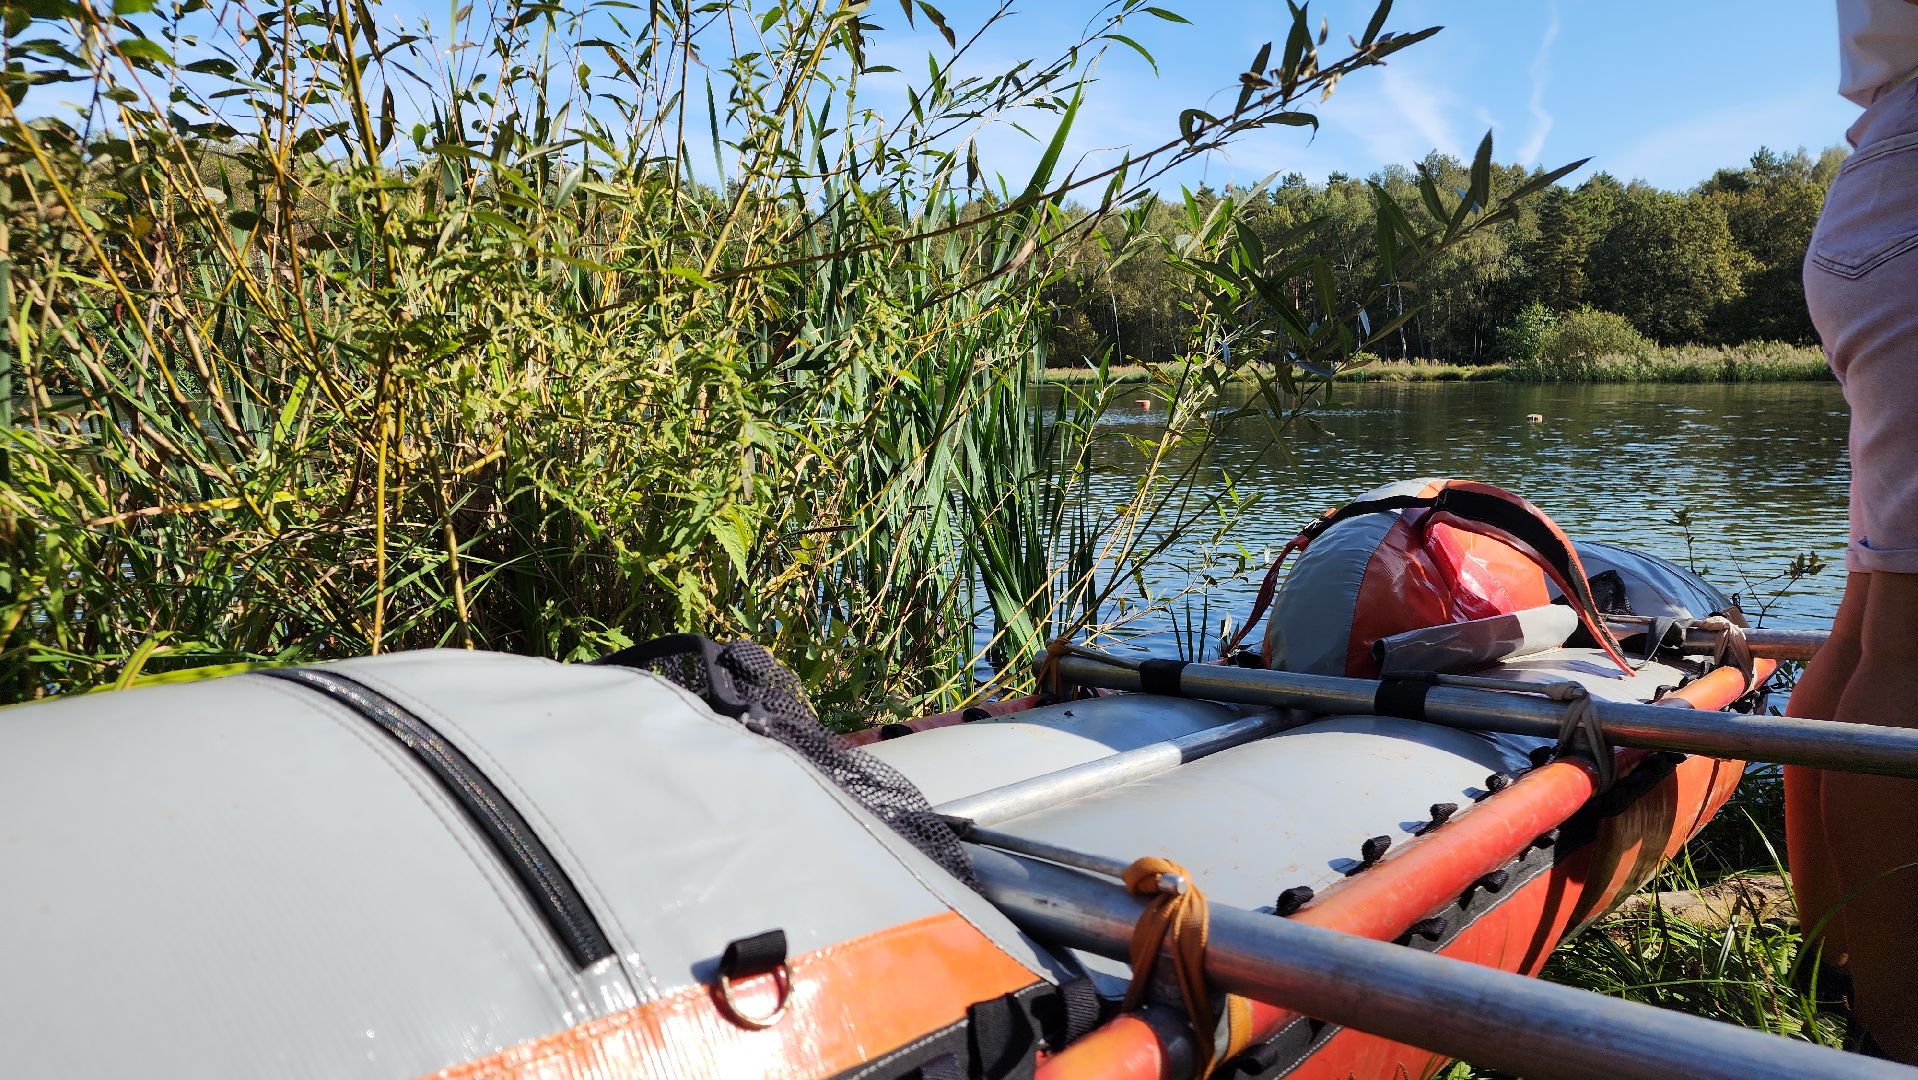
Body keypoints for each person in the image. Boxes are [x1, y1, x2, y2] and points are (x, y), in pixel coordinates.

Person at [1786, 0, 1918, 1062]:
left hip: (1885, 183)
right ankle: (1894, 1032)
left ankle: (1830, 964)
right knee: (1906, 651)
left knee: (1874, 627)